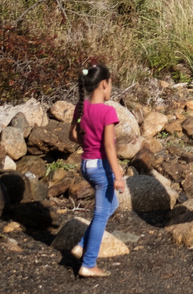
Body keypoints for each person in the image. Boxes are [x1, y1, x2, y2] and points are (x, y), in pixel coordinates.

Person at [68, 63, 126, 279]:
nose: (111, 88)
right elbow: (109, 146)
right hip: (101, 168)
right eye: (110, 84)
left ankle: (82, 244)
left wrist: (89, 144)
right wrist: (118, 175)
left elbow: (73, 135)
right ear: (103, 84)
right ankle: (89, 263)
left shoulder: (82, 107)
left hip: (86, 164)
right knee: (101, 214)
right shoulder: (107, 111)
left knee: (112, 205)